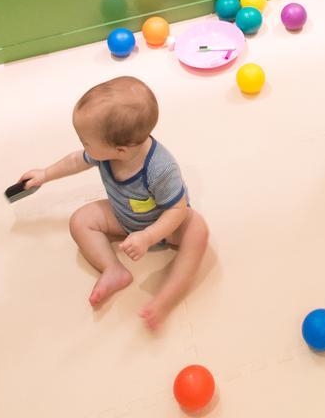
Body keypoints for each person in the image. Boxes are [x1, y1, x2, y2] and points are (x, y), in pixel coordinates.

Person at [17, 76, 208, 330]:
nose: (83, 146)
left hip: (166, 226)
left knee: (198, 230)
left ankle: (166, 298)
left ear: (120, 150)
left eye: (86, 142)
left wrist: (148, 236)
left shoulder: (160, 168)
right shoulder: (103, 154)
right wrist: (45, 174)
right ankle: (113, 270)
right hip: (123, 217)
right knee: (80, 220)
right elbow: (76, 161)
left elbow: (177, 208)